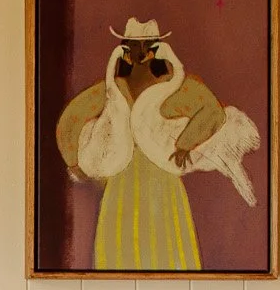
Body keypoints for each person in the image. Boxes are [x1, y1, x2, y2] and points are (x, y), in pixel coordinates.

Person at [55, 18, 260, 271]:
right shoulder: (111, 90)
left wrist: (186, 143)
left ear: (155, 51)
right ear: (125, 50)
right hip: (122, 181)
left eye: (145, 46)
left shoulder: (176, 89)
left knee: (167, 245)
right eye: (132, 46)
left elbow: (213, 113)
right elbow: (70, 119)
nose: (139, 53)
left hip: (163, 180)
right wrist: (73, 160)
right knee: (119, 247)